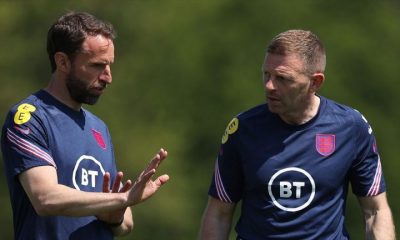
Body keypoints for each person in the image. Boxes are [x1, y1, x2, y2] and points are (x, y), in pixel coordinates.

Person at [198, 29, 396, 239]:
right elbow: (218, 213)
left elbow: (375, 211)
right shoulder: (242, 129)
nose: (269, 86)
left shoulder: (352, 127)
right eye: (267, 74)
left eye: (283, 78)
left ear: (315, 82)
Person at [1, 11, 170, 239]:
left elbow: (126, 222)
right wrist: (121, 199)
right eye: (97, 66)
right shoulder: (30, 118)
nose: (108, 77)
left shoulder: (98, 128)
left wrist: (115, 215)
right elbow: (45, 198)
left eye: (109, 65)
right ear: (62, 61)